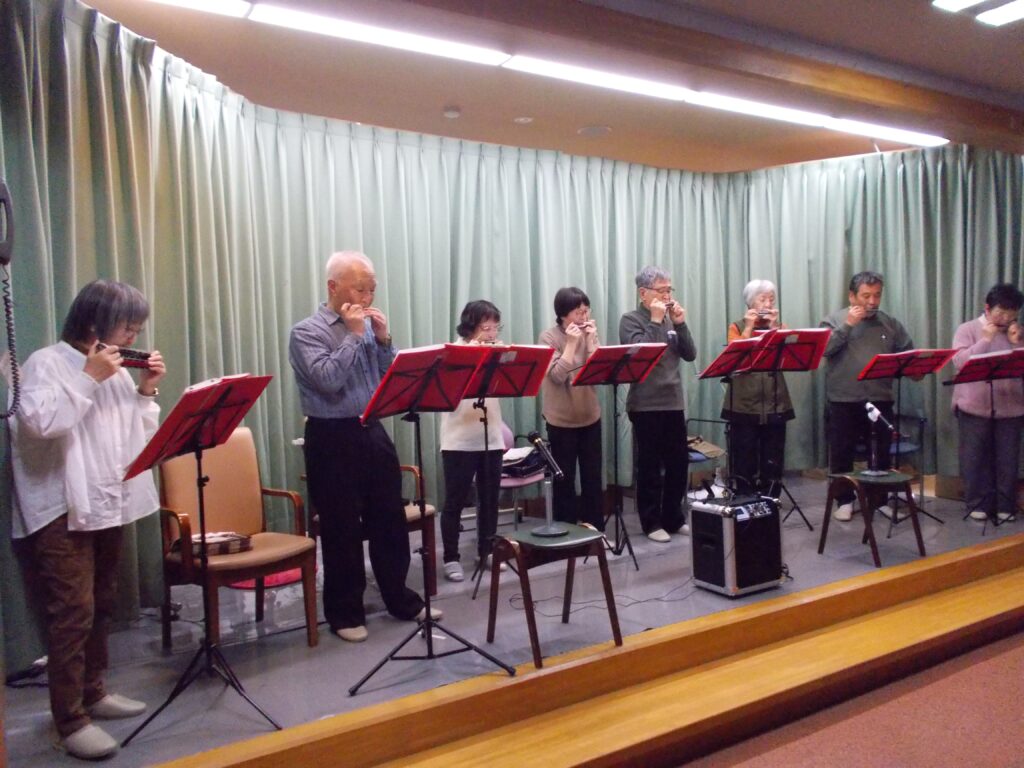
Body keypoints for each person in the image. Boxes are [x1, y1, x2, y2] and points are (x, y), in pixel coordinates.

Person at [9, 280, 165, 760]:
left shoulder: (114, 370)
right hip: (61, 508)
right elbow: (39, 424)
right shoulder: (46, 363)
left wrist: (145, 390)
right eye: (127, 325)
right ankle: (69, 718)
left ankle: (94, 691)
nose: (133, 334)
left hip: (106, 501)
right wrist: (88, 378)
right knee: (72, 611)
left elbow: (135, 437)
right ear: (95, 321)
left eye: (137, 326)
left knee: (102, 602)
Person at [289, 251, 436, 644]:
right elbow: (327, 381)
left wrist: (383, 340)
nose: (368, 297)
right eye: (360, 289)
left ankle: (400, 599)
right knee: (341, 527)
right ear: (333, 287)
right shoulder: (306, 332)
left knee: (390, 519)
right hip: (330, 435)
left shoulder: (368, 327)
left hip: (372, 429)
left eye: (372, 289)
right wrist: (354, 336)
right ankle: (345, 613)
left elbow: (390, 378)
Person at [820, 271, 914, 521]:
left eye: (877, 295)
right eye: (866, 296)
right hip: (844, 399)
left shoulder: (889, 323)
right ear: (852, 296)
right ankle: (844, 500)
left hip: (880, 398)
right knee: (842, 453)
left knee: (880, 452)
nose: (872, 301)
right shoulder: (833, 320)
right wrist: (848, 325)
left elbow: (908, 352)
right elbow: (824, 349)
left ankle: (879, 499)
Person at [619, 265, 697, 543]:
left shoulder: (670, 320)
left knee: (678, 464)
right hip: (645, 404)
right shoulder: (630, 320)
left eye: (669, 290)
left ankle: (674, 518)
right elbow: (640, 357)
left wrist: (681, 324)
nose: (667, 296)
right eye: (661, 291)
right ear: (643, 293)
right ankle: (651, 522)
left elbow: (690, 354)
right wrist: (654, 321)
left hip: (673, 401)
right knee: (650, 466)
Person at [438, 300, 506, 582]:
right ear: (470, 327)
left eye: (495, 327)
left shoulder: (497, 353)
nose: (491, 333)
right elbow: (447, 394)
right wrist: (473, 355)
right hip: (459, 440)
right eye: (485, 327)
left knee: (490, 499)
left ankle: (486, 550)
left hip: (490, 436)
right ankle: (451, 557)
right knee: (455, 500)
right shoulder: (453, 354)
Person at [951, 283, 1024, 523]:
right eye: (1000, 313)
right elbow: (960, 362)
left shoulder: (1017, 332)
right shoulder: (967, 329)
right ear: (987, 308)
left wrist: (1016, 343)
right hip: (973, 405)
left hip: (1011, 406)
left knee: (1008, 459)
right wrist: (985, 340)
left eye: (1011, 314)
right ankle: (977, 503)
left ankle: (1005, 505)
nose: (1005, 319)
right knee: (975, 458)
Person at [539, 287, 603, 530]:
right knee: (564, 478)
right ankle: (565, 531)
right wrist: (572, 344)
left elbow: (598, 372)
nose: (583, 317)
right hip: (561, 420)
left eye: (586, 311)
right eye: (578, 312)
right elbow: (557, 376)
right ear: (563, 315)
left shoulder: (588, 333)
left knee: (592, 477)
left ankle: (595, 530)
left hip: (590, 416)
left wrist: (591, 341)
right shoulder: (548, 338)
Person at [721, 279, 794, 494]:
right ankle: (746, 498)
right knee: (744, 457)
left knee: (773, 456)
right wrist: (749, 327)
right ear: (750, 302)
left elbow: (792, 354)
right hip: (744, 403)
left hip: (775, 401)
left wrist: (774, 328)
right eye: (762, 299)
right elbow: (734, 358)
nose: (768, 304)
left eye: (771, 299)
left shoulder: (780, 327)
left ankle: (771, 499)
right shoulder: (736, 327)